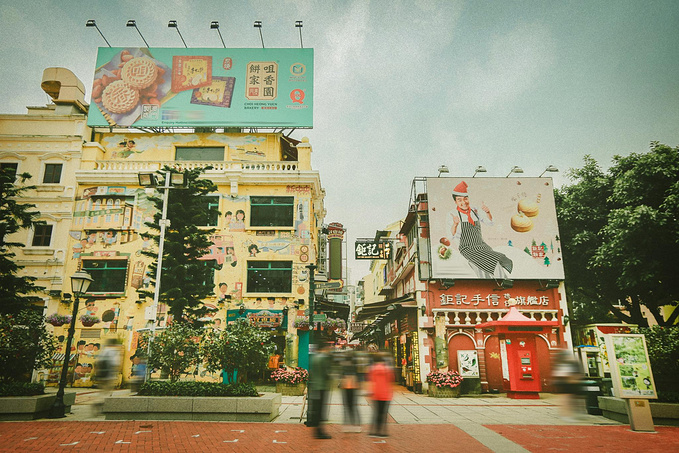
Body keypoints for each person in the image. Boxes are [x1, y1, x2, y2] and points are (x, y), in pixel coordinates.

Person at [448, 181, 513, 279]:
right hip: (467, 248)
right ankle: (498, 281)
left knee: (495, 257)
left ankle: (501, 280)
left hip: (481, 245)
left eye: (465, 199)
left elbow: (489, 222)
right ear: (455, 202)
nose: (463, 202)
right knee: (491, 259)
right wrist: (455, 224)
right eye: (459, 200)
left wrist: (488, 213)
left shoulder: (475, 211)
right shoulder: (452, 214)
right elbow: (451, 235)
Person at [307, 343, 334, 439]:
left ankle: (317, 430)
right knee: (321, 409)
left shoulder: (314, 357)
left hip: (315, 386)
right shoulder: (324, 358)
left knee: (316, 408)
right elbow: (327, 372)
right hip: (322, 386)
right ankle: (320, 431)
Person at [367, 352, 395, 438]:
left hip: (376, 393)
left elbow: (371, 380)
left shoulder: (372, 369)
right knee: (384, 413)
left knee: (376, 412)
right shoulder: (387, 369)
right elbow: (391, 379)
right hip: (386, 393)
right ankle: (383, 431)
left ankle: (374, 430)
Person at [551, 349, 583, 421]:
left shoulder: (567, 363)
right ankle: (566, 415)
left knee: (568, 400)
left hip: (567, 385)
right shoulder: (564, 364)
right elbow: (561, 374)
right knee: (566, 400)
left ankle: (568, 414)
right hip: (565, 385)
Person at [339, 350, 361, 432]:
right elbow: (357, 374)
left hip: (346, 386)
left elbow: (342, 375)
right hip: (353, 385)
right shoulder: (354, 364)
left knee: (347, 405)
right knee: (353, 405)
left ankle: (347, 424)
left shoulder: (344, 364)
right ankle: (356, 424)